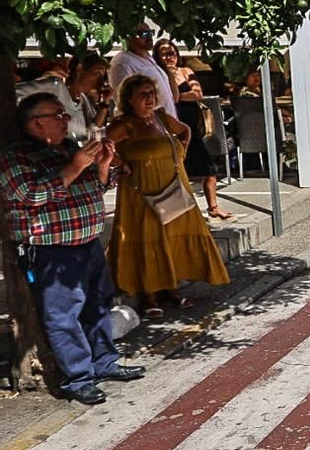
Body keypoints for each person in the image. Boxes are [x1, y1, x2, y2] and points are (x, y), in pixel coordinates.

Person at [0, 94, 144, 405]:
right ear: (36, 123)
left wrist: (103, 167)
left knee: (98, 305)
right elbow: (30, 195)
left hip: (88, 242)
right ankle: (79, 378)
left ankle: (104, 363)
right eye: (58, 114)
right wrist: (76, 166)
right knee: (63, 315)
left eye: (65, 114)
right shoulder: (16, 157)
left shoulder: (67, 149)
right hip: (53, 251)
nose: (66, 119)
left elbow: (98, 185)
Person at [105, 75, 229, 318]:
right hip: (140, 191)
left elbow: (186, 130)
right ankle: (150, 294)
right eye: (143, 94)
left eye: (152, 93)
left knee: (170, 236)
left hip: (171, 187)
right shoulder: (125, 125)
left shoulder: (161, 117)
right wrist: (120, 163)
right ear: (129, 98)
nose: (149, 98)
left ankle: (170, 287)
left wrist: (179, 154)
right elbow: (104, 145)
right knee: (147, 238)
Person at [155, 39, 231, 221]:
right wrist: (172, 80)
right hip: (173, 129)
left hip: (192, 128)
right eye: (165, 54)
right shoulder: (160, 75)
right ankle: (183, 211)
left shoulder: (186, 71)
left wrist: (181, 95)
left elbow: (198, 94)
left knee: (209, 169)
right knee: (179, 172)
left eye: (172, 53)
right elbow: (171, 98)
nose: (170, 57)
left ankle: (213, 206)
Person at [107, 19, 176, 118]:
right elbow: (123, 101)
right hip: (144, 128)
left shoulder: (149, 58)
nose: (149, 37)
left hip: (164, 126)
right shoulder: (122, 62)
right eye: (143, 34)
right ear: (128, 37)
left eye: (150, 33)